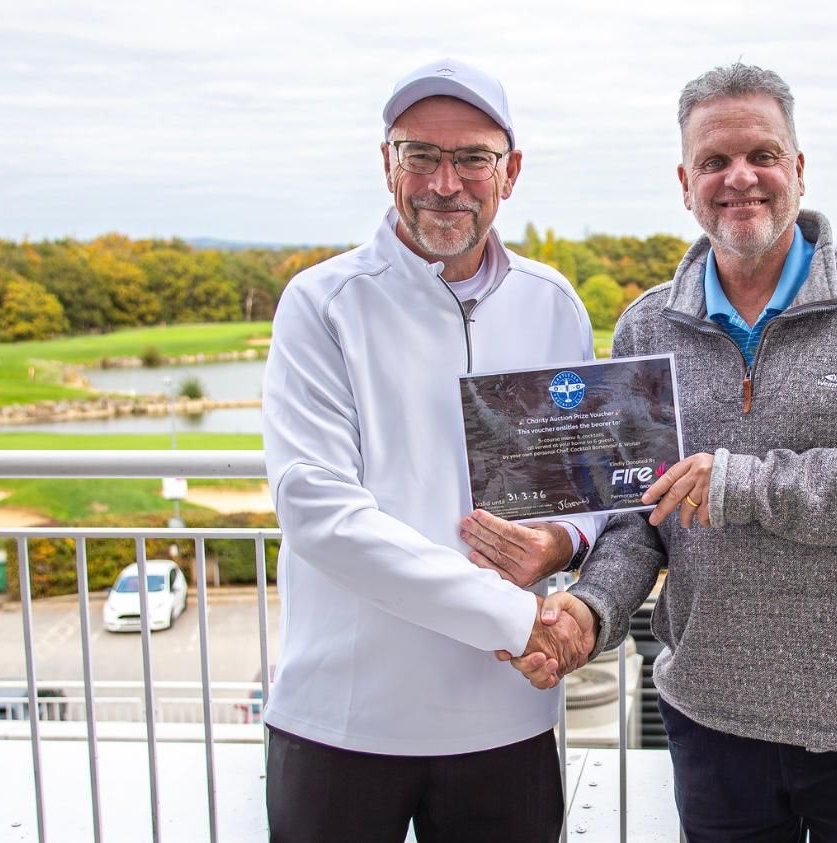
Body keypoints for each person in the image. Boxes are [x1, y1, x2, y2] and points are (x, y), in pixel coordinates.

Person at [499, 62, 837, 841]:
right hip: (712, 716)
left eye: (761, 154)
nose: (739, 178)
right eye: (714, 163)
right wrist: (591, 608)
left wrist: (747, 486)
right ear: (684, 183)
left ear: (797, 167)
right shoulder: (645, 330)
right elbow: (635, 520)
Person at [261, 57, 598, 843]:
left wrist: (561, 539)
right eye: (420, 154)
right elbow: (320, 514)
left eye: (472, 157)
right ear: (387, 164)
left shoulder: (552, 303)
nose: (445, 183)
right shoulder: (321, 304)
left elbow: (586, 481)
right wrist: (517, 616)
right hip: (344, 719)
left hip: (507, 715)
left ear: (509, 172)